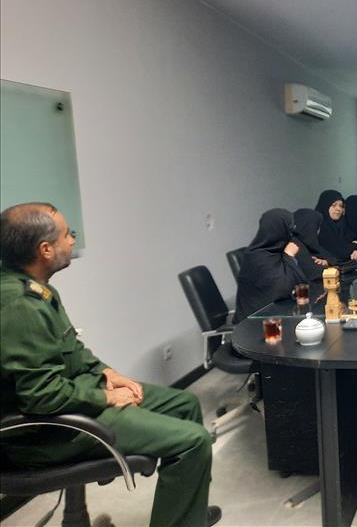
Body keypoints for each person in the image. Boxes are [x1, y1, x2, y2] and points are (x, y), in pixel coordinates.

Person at [0, 203, 220, 527]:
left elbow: (72, 348)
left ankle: (190, 516)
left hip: (71, 398)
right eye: (67, 235)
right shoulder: (20, 305)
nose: (72, 241)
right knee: (193, 441)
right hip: (47, 433)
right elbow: (41, 396)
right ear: (45, 250)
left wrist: (108, 373)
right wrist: (106, 397)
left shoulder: (36, 289)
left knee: (184, 403)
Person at [233, 208, 306, 322]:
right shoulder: (256, 257)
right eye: (290, 228)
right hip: (254, 323)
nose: (292, 233)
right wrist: (288, 257)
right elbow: (282, 289)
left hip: (278, 315)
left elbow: (301, 285)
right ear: (279, 230)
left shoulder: (276, 251)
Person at [314, 190, 357, 263]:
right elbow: (339, 253)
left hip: (345, 266)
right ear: (325, 206)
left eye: (341, 206)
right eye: (334, 205)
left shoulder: (343, 224)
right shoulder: (319, 226)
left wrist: (356, 251)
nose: (338, 209)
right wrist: (355, 245)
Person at [292, 208, 335, 281]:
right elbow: (313, 273)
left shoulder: (306, 242)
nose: (318, 231)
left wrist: (326, 262)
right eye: (317, 227)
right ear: (309, 226)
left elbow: (331, 259)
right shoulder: (294, 246)